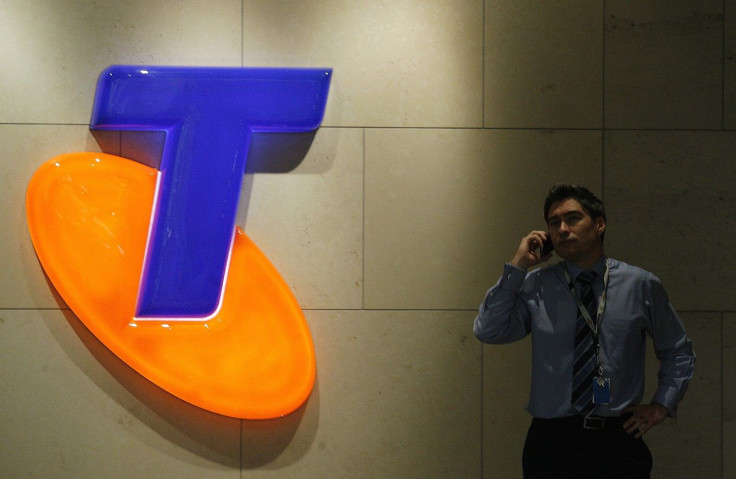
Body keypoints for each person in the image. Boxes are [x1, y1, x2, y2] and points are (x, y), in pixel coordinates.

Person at [473, 183, 695, 479]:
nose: (562, 229)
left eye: (573, 218)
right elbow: (488, 330)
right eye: (554, 223)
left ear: (599, 224)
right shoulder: (535, 285)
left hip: (617, 439)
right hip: (551, 441)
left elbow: (677, 351)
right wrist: (518, 265)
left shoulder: (640, 285)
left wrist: (662, 405)